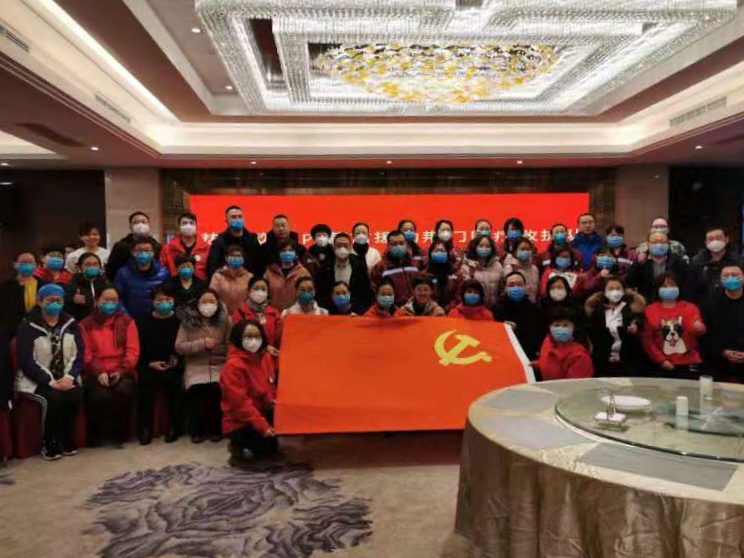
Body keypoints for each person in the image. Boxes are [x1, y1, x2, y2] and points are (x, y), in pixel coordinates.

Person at [15, 283, 83, 460]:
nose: (55, 304)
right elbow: (26, 361)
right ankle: (50, 442)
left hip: (65, 376)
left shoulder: (71, 323)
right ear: (40, 301)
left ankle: (68, 439)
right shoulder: (27, 326)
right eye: (50, 300)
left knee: (74, 394)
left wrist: (69, 377)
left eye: (59, 300)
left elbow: (79, 354)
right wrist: (49, 381)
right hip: (36, 379)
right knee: (53, 398)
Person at [79, 286, 138, 447]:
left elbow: (132, 350)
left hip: (121, 369)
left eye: (114, 301)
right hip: (94, 371)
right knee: (99, 395)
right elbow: (86, 353)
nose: (110, 304)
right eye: (106, 300)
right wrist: (99, 372)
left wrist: (121, 370)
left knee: (124, 390)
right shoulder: (85, 324)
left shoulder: (127, 322)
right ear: (97, 301)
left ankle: (120, 435)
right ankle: (96, 436)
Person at [175, 289, 231, 444]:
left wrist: (220, 352)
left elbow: (231, 345)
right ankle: (197, 430)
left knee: (216, 388)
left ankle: (216, 429)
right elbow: (179, 347)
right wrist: (201, 344)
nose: (208, 305)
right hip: (196, 364)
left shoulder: (225, 321)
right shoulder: (187, 322)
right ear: (197, 304)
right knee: (198, 389)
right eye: (204, 302)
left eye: (212, 301)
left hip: (219, 364)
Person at [220, 319, 278, 465]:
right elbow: (240, 404)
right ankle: (237, 446)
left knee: (273, 449)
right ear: (238, 338)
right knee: (260, 452)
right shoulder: (232, 366)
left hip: (261, 410)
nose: (253, 341)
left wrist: (272, 402)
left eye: (257, 336)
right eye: (248, 336)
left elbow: (270, 385)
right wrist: (263, 426)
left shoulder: (265, 358)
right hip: (240, 420)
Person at [135, 287, 183, 444]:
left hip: (173, 363)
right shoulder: (143, 322)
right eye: (160, 300)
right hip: (149, 363)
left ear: (174, 301)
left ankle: (174, 427)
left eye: (168, 300)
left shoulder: (180, 321)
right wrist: (150, 363)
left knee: (173, 382)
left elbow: (184, 345)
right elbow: (138, 348)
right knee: (146, 385)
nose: (164, 303)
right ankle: (145, 428)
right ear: (153, 302)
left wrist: (176, 360)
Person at [641, 272, 705, 379]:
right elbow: (647, 339)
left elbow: (698, 330)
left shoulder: (690, 308)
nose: (669, 288)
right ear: (658, 289)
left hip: (688, 362)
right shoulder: (649, 310)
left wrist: (700, 328)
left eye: (672, 285)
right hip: (661, 364)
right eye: (664, 286)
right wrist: (661, 360)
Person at [584, 277, 647, 377]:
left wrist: (635, 328)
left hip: (628, 360)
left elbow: (641, 326)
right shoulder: (597, 311)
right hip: (603, 361)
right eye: (611, 288)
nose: (614, 291)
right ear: (604, 292)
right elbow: (593, 333)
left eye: (618, 288)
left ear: (623, 291)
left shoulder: (631, 309)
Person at [701, 265, 744, 381]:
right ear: (720, 280)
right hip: (717, 364)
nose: (730, 278)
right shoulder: (709, 303)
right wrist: (722, 352)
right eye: (726, 275)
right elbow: (704, 335)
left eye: (735, 275)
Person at [492, 271, 544, 360]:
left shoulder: (535, 310)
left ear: (526, 287)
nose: (516, 288)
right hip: (503, 355)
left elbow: (538, 335)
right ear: (505, 288)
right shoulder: (497, 309)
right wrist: (503, 329)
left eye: (520, 284)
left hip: (527, 356)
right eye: (511, 285)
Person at [114, 238, 170, 320]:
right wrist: (126, 317)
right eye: (139, 250)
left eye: (147, 250)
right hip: (130, 320)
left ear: (153, 253)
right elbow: (117, 297)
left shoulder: (163, 273)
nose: (143, 253)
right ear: (133, 252)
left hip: (156, 319)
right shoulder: (123, 273)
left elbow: (168, 296)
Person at [317, 232, 373, 313]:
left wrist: (356, 311)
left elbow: (366, 293)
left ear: (350, 247)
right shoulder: (325, 265)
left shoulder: (359, 265)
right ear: (334, 247)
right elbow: (320, 293)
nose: (342, 248)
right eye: (339, 245)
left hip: (354, 313)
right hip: (330, 313)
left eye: (345, 245)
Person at [533, 309, 594, 380]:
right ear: (550, 327)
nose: (561, 328)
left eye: (565, 325)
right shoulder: (548, 342)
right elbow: (549, 361)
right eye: (556, 325)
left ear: (574, 328)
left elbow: (574, 384)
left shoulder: (580, 356)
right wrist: (537, 364)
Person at [688, 226, 744, 304]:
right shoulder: (696, 262)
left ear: (726, 239)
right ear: (706, 242)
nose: (715, 241)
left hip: (733, 305)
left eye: (718, 238)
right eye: (710, 239)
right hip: (704, 306)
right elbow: (690, 288)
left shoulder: (739, 261)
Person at [628, 231, 688, 303]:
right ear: (648, 244)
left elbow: (686, 285)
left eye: (662, 242)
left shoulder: (679, 262)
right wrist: (638, 264)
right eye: (654, 242)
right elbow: (630, 282)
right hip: (646, 303)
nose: (658, 245)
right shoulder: (641, 262)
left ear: (668, 244)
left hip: (672, 303)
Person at [232, 277, 282, 357]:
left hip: (269, 358)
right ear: (248, 292)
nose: (260, 292)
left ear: (268, 293)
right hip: (247, 357)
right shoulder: (239, 313)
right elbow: (239, 338)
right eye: (256, 288)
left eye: (263, 289)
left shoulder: (274, 313)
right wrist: (265, 348)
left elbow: (278, 339)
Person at [206, 206, 261, 278]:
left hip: (250, 281)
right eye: (233, 217)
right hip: (226, 281)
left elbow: (260, 264)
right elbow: (211, 267)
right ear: (226, 221)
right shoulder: (219, 241)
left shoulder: (253, 239)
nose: (237, 219)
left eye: (240, 217)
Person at [106, 211, 161, 280]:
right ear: (130, 226)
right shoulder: (120, 247)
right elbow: (111, 270)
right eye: (136, 222)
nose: (140, 225)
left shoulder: (157, 247)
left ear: (149, 225)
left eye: (144, 222)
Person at [370, 230, 419, 307]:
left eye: (401, 243)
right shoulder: (381, 267)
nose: (398, 246)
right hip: (393, 310)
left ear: (406, 244)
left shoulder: (414, 264)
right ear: (388, 246)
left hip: (414, 308)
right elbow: (374, 291)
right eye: (394, 244)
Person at [264, 239, 312, 312]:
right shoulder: (269, 272)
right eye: (283, 251)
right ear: (279, 253)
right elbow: (265, 294)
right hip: (274, 313)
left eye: (290, 250)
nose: (287, 253)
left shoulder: (303, 273)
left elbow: (309, 294)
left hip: (295, 314)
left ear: (295, 253)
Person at [160, 212, 209, 280]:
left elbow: (210, 269)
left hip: (200, 284)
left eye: (191, 223)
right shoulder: (168, 248)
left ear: (196, 226)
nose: (188, 226)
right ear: (179, 226)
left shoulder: (206, 248)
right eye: (185, 223)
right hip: (175, 284)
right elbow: (163, 269)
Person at [0, 252, 39, 337]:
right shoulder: (5, 286)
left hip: (37, 329)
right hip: (11, 331)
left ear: (35, 265)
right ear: (15, 265)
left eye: (30, 262)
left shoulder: (43, 284)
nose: (27, 265)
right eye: (23, 262)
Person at [459, 235, 503, 307]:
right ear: (475, 247)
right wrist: (471, 273)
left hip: (494, 308)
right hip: (473, 308)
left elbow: (502, 288)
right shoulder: (466, 266)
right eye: (481, 246)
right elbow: (462, 289)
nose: (484, 248)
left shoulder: (497, 265)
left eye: (487, 246)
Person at [209, 245, 253, 314]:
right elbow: (213, 296)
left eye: (238, 256)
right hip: (222, 315)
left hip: (243, 315)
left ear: (243, 259)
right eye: (232, 255)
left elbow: (252, 299)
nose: (235, 258)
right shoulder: (218, 276)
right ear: (226, 258)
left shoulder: (249, 277)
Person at [64, 252, 107, 322]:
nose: (92, 267)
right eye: (88, 265)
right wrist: (73, 300)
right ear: (80, 267)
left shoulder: (105, 283)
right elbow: (66, 306)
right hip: (80, 321)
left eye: (95, 264)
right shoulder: (73, 284)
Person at [425, 239, 462, 310]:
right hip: (430, 311)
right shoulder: (424, 275)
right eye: (436, 251)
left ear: (447, 254)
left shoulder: (456, 274)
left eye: (442, 251)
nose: (439, 253)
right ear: (430, 253)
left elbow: (458, 295)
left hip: (451, 311)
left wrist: (449, 307)